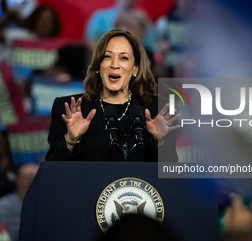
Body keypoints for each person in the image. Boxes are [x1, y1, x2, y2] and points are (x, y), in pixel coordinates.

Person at [46, 29, 179, 162]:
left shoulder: (158, 109)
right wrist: (70, 139)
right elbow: (52, 173)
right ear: (98, 65)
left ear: (135, 68)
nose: (114, 65)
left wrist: (158, 142)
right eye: (107, 57)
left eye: (124, 58)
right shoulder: (68, 109)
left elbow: (170, 177)